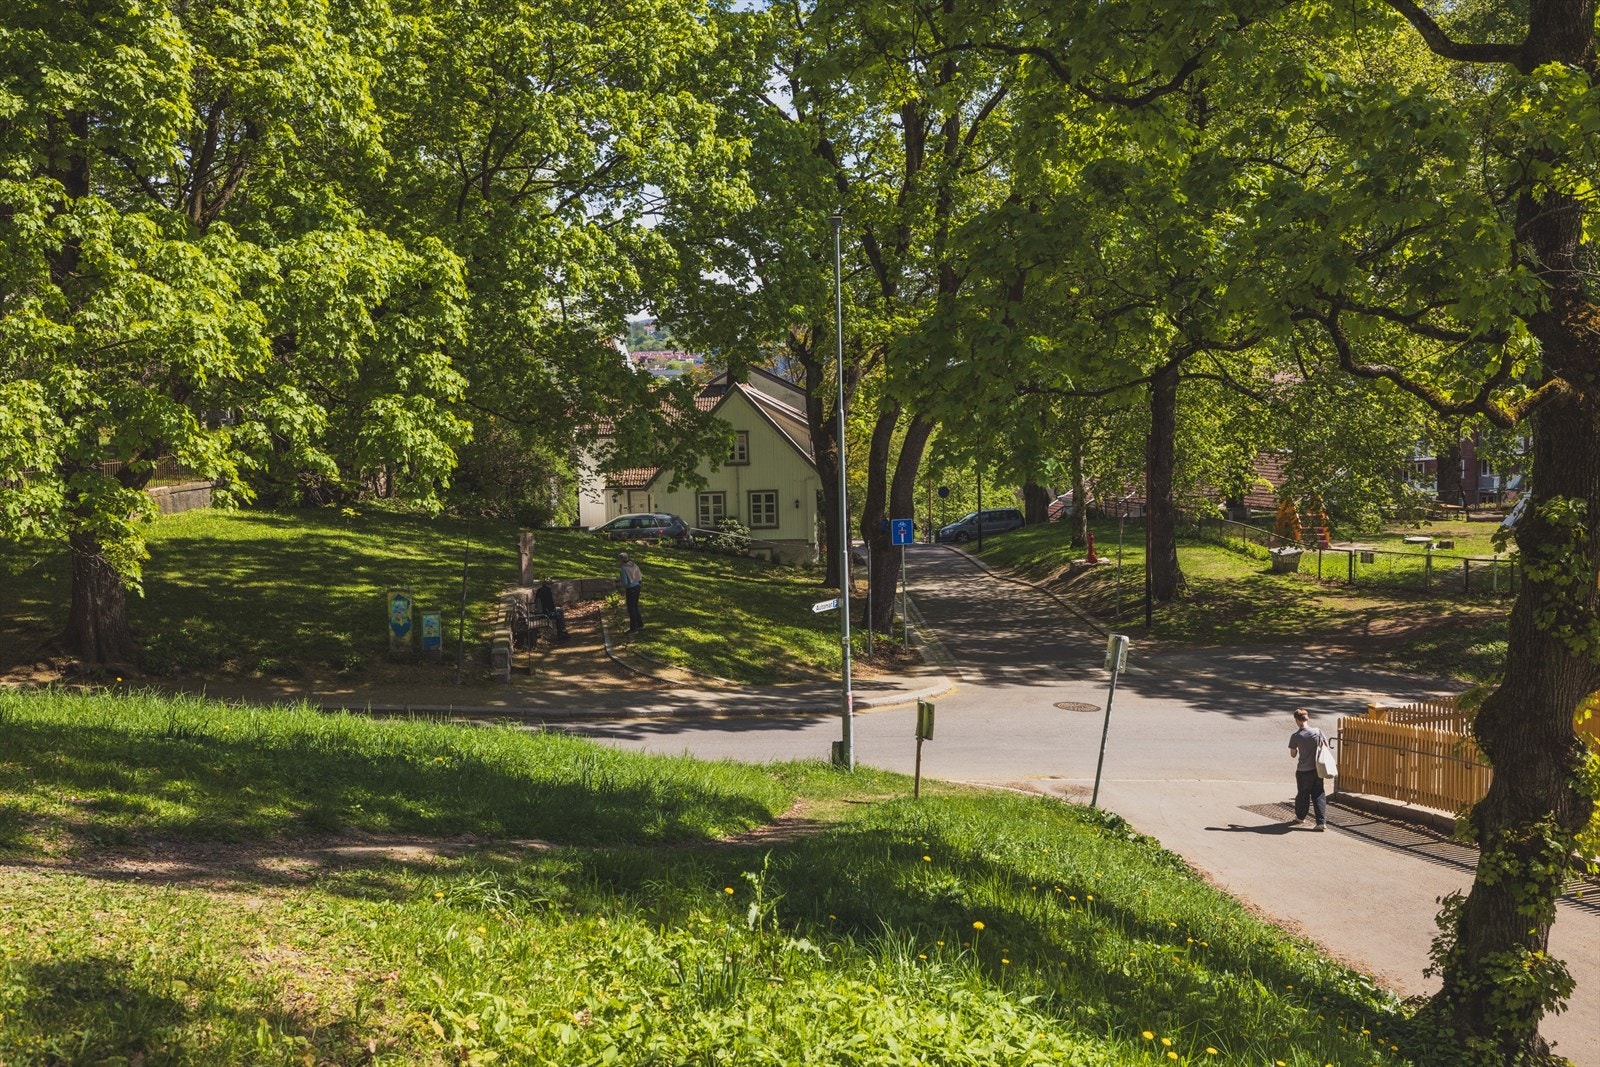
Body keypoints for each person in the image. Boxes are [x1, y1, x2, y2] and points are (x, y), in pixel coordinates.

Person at [1287, 707, 1328, 830]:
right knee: (1319, 794)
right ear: (1307, 718)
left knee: (1303, 795)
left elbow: (1293, 754)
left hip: (1303, 771)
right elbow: (1325, 745)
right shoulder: (1317, 731)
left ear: (1296, 720)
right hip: (1317, 769)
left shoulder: (1295, 736)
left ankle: (1300, 817)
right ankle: (1321, 822)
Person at [618, 551, 644, 632]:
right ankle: (640, 624)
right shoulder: (634, 565)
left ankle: (633, 628)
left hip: (630, 589)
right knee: (635, 606)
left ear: (621, 560)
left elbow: (625, 583)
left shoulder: (623, 568)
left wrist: (620, 583)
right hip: (637, 587)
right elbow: (639, 575)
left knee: (631, 608)